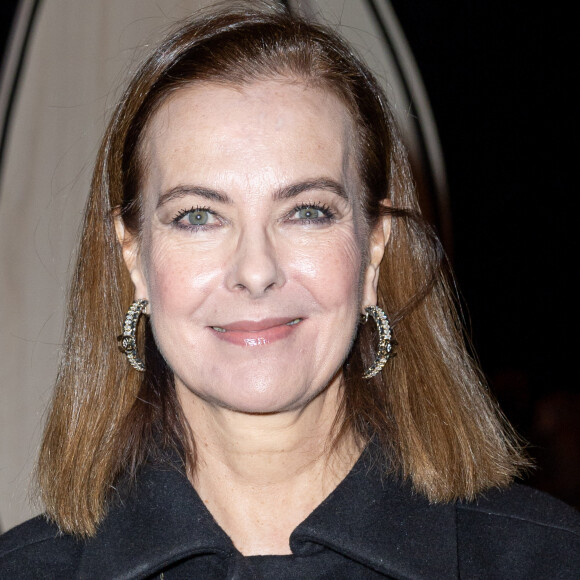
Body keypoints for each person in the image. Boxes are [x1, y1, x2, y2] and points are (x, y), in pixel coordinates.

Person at [1, 3, 578, 578]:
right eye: (198, 216)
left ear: (374, 248)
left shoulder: (548, 560)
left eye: (306, 211)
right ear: (134, 258)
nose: (256, 271)